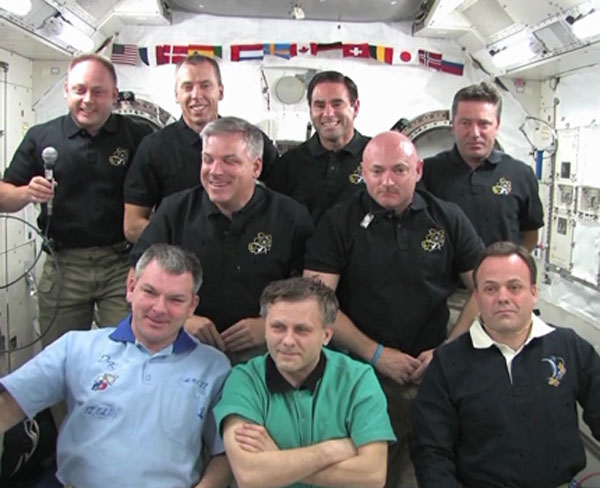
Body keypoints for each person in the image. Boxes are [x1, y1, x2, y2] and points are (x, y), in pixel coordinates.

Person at [304, 131, 484, 487]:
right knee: (369, 475)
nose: (387, 180)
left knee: (432, 469)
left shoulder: (447, 218)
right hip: (359, 374)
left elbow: (484, 287)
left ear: (417, 170)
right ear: (363, 172)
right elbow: (317, 302)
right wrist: (376, 354)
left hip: (434, 373)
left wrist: (449, 351)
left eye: (399, 170)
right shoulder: (338, 222)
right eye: (377, 170)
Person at [0, 244, 231, 488]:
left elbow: (225, 454)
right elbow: (8, 406)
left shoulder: (213, 367)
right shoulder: (75, 347)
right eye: (150, 292)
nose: (159, 308)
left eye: (175, 299)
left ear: (192, 306)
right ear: (131, 287)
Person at [410, 241, 600, 488]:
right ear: (477, 297)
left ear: (533, 292)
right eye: (490, 289)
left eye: (514, 287)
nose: (503, 297)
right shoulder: (447, 363)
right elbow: (431, 453)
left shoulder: (571, 348)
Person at [131, 117, 313, 361]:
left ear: (256, 167)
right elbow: (137, 276)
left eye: (230, 161)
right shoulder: (174, 210)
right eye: (208, 160)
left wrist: (270, 324)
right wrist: (183, 318)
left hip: (264, 353)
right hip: (183, 346)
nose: (215, 171)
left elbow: (309, 291)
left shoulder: (291, 217)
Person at [0, 53, 152, 346]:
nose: (88, 100)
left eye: (98, 92)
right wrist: (26, 193)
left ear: (114, 95)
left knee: (126, 356)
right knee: (59, 358)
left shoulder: (138, 136)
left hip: (122, 264)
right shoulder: (41, 137)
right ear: (66, 90)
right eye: (80, 90)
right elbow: (4, 196)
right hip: (64, 266)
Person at [214, 276, 396, 488]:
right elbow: (250, 476)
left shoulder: (358, 378)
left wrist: (277, 461)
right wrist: (329, 451)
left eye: (302, 330)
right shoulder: (243, 379)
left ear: (327, 335)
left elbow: (372, 476)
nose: (288, 341)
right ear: (265, 329)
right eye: (278, 327)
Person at [123, 54, 278, 242]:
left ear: (220, 91)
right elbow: (132, 226)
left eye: (205, 85)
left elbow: (282, 204)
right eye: (187, 87)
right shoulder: (154, 148)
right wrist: (188, 243)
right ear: (176, 94)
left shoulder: (250, 138)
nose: (196, 95)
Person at [421, 81, 544, 250]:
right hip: (443, 277)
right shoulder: (427, 172)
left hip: (498, 276)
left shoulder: (521, 174)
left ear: (497, 127)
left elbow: (530, 232)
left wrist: (513, 268)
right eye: (465, 123)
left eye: (483, 124)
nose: (475, 133)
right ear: (453, 126)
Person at [267, 70, 369, 224]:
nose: (328, 113)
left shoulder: (378, 158)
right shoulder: (288, 165)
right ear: (310, 111)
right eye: (319, 105)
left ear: (356, 107)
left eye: (337, 104)